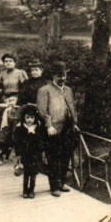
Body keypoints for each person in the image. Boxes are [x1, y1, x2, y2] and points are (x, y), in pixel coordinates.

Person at [36, 61, 78, 196]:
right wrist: (49, 125)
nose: (62, 78)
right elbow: (42, 111)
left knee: (66, 156)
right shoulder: (45, 90)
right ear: (53, 76)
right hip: (52, 129)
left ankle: (62, 182)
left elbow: (72, 107)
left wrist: (74, 122)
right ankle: (54, 186)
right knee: (53, 158)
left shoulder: (68, 90)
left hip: (67, 128)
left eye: (64, 75)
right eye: (59, 75)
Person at [12, 104, 47, 199]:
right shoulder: (20, 128)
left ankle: (31, 190)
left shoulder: (38, 128)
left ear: (35, 118)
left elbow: (42, 141)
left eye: (32, 117)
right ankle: (25, 190)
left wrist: (41, 150)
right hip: (25, 155)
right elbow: (16, 142)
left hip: (35, 155)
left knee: (34, 174)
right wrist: (18, 154)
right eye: (27, 117)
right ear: (24, 118)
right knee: (26, 173)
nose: (29, 120)